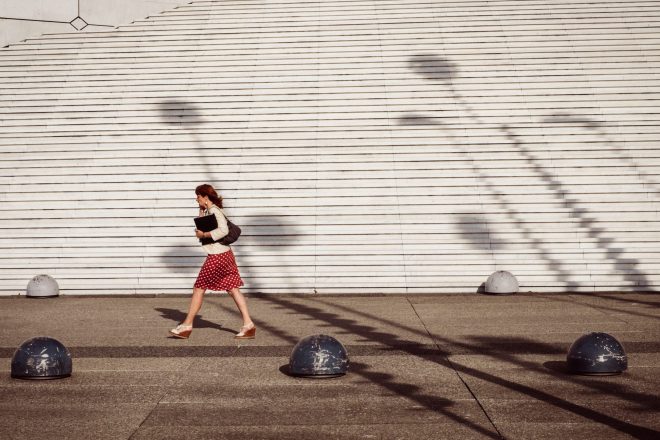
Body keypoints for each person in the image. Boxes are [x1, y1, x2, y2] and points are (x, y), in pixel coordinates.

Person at [170, 184, 255, 339]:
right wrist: (201, 212)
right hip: (225, 255)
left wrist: (204, 235)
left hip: (217, 257)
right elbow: (204, 226)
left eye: (198, 196)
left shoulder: (215, 211)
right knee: (233, 289)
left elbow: (223, 230)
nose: (196, 199)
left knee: (199, 288)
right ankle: (248, 325)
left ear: (205, 197)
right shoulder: (211, 210)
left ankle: (187, 325)